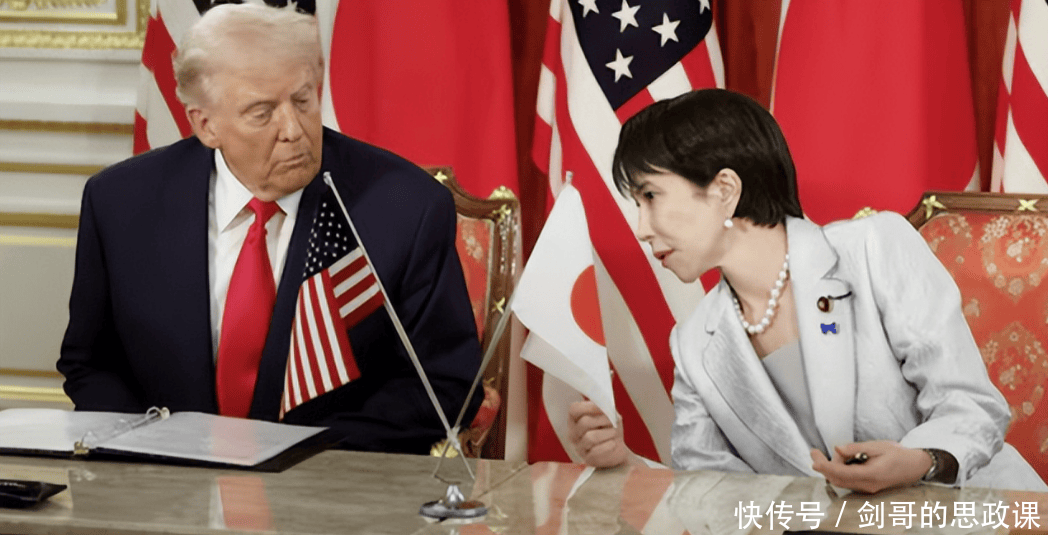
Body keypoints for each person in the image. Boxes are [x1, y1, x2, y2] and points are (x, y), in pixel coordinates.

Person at [568, 88, 1046, 492]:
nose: (642, 228)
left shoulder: (874, 247)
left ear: (724, 190)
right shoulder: (693, 344)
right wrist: (625, 464)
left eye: (650, 196)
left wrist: (920, 460)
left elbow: (971, 404)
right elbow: (710, 489)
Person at [57, 3, 480, 454]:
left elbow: (443, 384)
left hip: (329, 480)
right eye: (262, 113)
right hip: (164, 480)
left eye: (303, 100)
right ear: (205, 125)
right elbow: (91, 365)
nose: (293, 130)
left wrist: (298, 455)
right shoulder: (121, 203)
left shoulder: (405, 207)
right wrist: (156, 451)